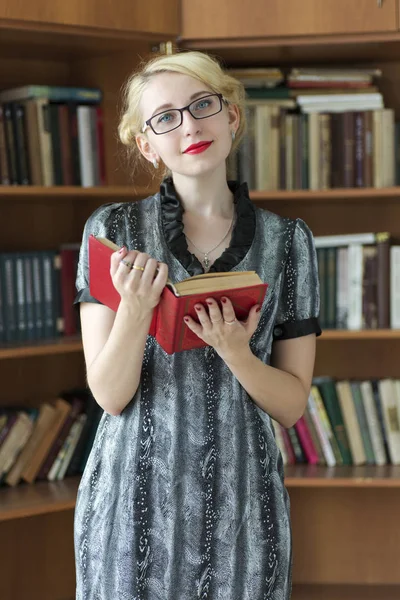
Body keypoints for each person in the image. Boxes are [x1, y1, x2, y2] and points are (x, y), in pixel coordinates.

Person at [73, 50, 321, 600]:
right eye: (166, 117)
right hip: (128, 509)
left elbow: (291, 404)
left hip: (245, 513)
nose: (190, 125)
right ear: (147, 143)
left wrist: (237, 352)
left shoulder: (290, 242)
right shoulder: (112, 231)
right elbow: (110, 396)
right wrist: (137, 310)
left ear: (231, 114)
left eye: (202, 105)